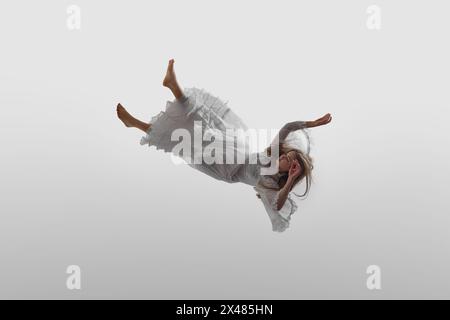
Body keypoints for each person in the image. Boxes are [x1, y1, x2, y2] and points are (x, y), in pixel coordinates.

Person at [117, 59, 332, 232]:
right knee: (205, 120)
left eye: (291, 164)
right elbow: (286, 127)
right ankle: (174, 87)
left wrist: (292, 179)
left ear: (288, 173)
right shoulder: (272, 155)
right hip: (234, 148)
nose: (287, 159)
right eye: (291, 155)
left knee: (187, 144)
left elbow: (276, 205)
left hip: (225, 168)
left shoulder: (271, 184)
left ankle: (136, 124)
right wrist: (312, 123)